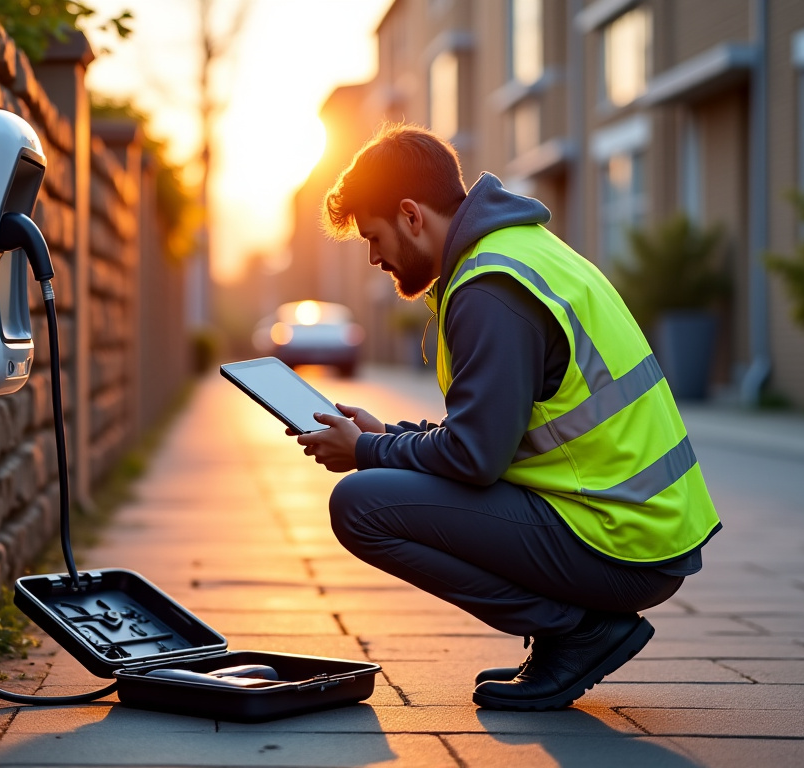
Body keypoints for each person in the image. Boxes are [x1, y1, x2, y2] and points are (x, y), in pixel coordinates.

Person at [295, 124, 721, 711]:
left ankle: (577, 633)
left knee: (361, 505)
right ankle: (571, 629)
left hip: (619, 540)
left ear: (412, 216)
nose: (373, 258)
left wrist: (366, 453)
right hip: (633, 526)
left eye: (374, 237)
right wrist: (383, 436)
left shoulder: (489, 287)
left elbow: (475, 458)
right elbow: (492, 435)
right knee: (377, 484)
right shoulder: (517, 252)